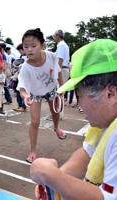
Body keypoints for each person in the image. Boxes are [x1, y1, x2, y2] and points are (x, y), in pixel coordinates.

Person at [31, 39, 117, 200]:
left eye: (79, 94)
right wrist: (57, 178)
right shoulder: (107, 123)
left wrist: (50, 175)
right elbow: (89, 153)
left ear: (110, 94)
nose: (80, 104)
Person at [17, 28, 66, 163]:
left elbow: (59, 72)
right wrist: (25, 96)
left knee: (56, 111)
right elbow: (22, 89)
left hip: (51, 89)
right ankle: (33, 151)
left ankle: (56, 127)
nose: (30, 50)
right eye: (26, 47)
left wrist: (62, 87)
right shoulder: (25, 67)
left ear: (42, 45)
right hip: (35, 93)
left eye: (34, 46)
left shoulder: (52, 56)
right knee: (35, 121)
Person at [47, 29, 71, 121]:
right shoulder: (64, 45)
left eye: (54, 36)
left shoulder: (61, 45)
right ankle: (58, 113)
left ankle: (57, 114)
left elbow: (60, 60)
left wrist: (57, 72)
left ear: (58, 35)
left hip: (61, 70)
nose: (54, 38)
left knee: (58, 92)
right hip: (64, 69)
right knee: (59, 92)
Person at [13, 43, 27, 112]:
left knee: (23, 91)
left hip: (25, 76)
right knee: (18, 90)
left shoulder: (27, 56)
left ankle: (23, 106)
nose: (20, 52)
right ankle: (19, 105)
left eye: (20, 50)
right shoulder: (21, 56)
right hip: (20, 74)